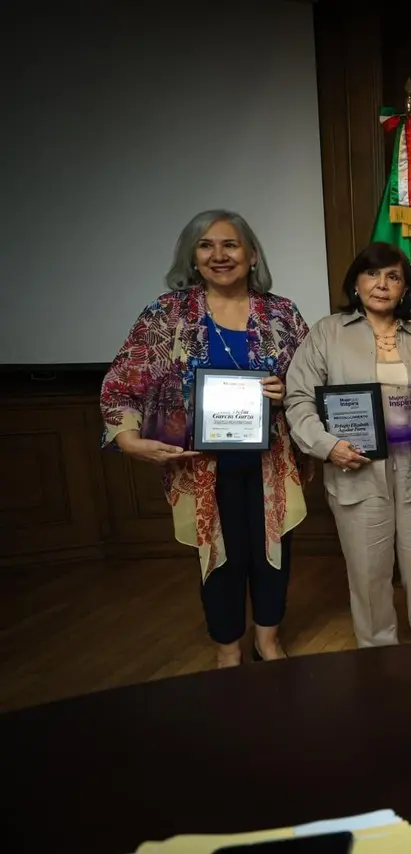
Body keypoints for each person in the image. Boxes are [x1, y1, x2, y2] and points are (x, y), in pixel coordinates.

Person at [100, 209, 309, 668]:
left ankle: (268, 640)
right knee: (220, 557)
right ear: (192, 258)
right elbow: (122, 383)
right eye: (206, 245)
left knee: (272, 551)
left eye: (230, 244)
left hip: (271, 461)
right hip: (200, 465)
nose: (219, 255)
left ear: (252, 255)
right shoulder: (166, 314)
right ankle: (227, 648)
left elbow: (313, 383)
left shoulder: (282, 314)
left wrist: (287, 390)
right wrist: (129, 439)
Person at [284, 242, 411, 648]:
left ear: (404, 288)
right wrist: (326, 445)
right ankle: (377, 657)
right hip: (355, 469)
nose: (382, 284)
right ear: (356, 282)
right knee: (368, 575)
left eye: (393, 276)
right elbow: (298, 397)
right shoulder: (327, 333)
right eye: (372, 274)